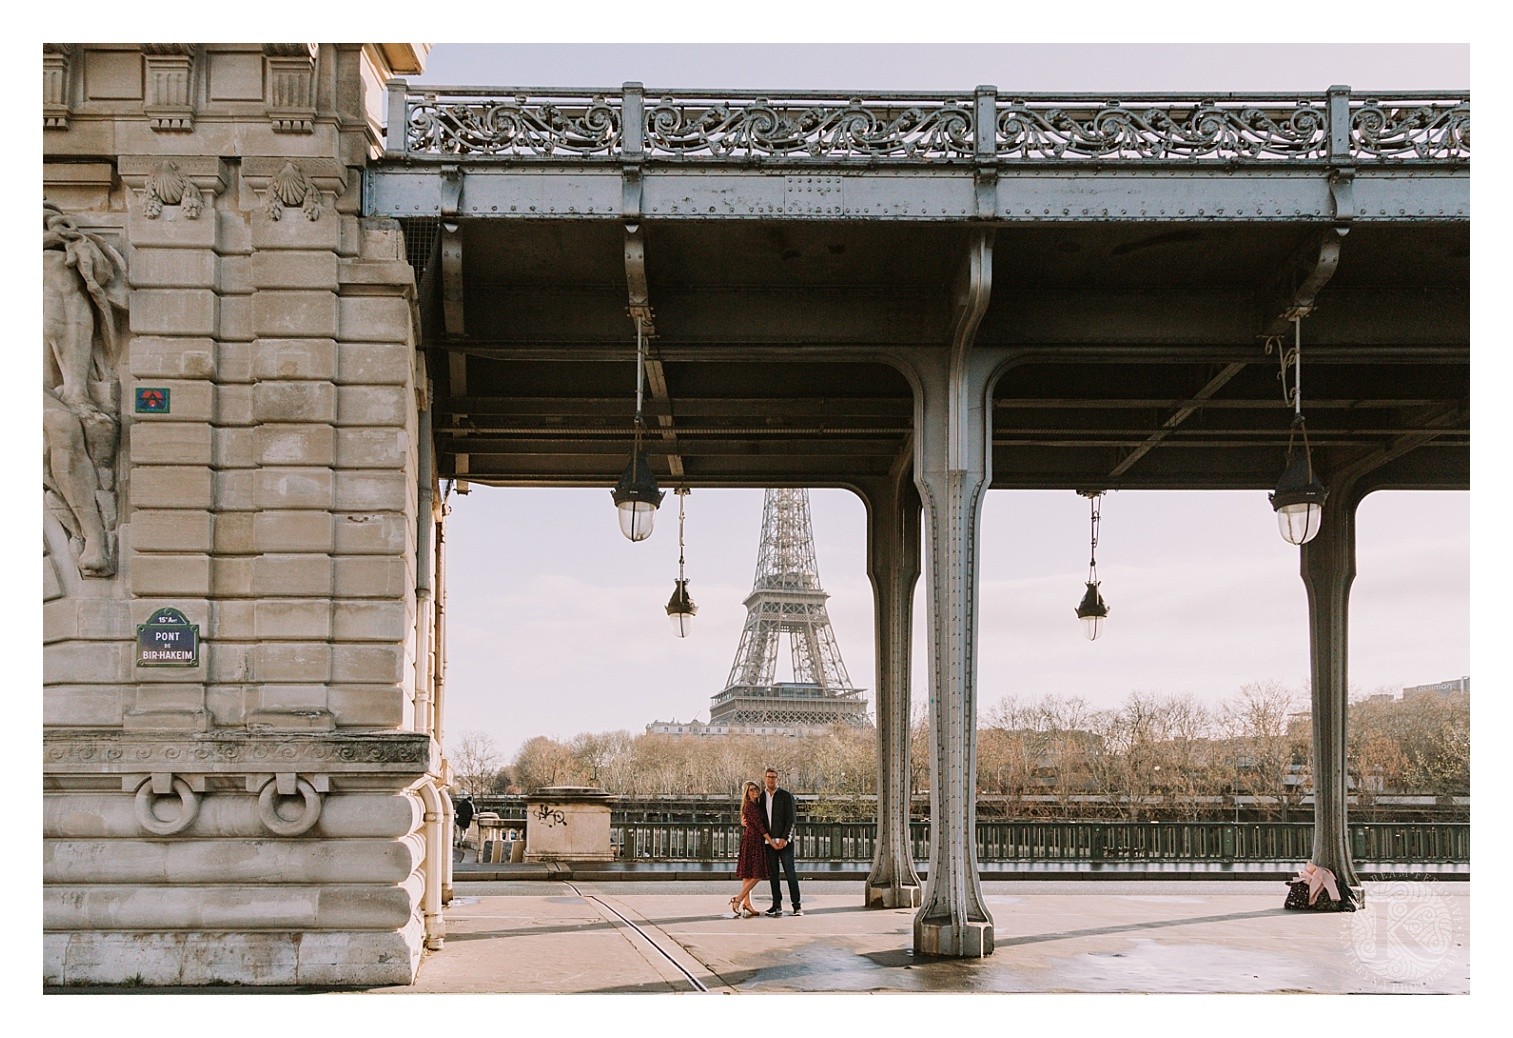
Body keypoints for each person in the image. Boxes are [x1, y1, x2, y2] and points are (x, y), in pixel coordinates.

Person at [760, 767, 802, 916]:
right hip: (769, 842)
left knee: (790, 873)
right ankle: (776, 905)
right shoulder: (761, 797)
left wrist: (785, 838)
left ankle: (797, 906)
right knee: (773, 875)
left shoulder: (786, 796)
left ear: (778, 779)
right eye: (768, 777)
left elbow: (791, 819)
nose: (771, 779)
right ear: (765, 778)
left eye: (773, 777)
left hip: (785, 842)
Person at [728, 781, 768, 918]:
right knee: (758, 873)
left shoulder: (756, 804)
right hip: (753, 840)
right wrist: (770, 841)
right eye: (751, 790)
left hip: (753, 839)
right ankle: (738, 899)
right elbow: (759, 825)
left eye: (756, 789)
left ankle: (747, 903)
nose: (755, 792)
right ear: (747, 792)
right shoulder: (750, 806)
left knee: (748, 874)